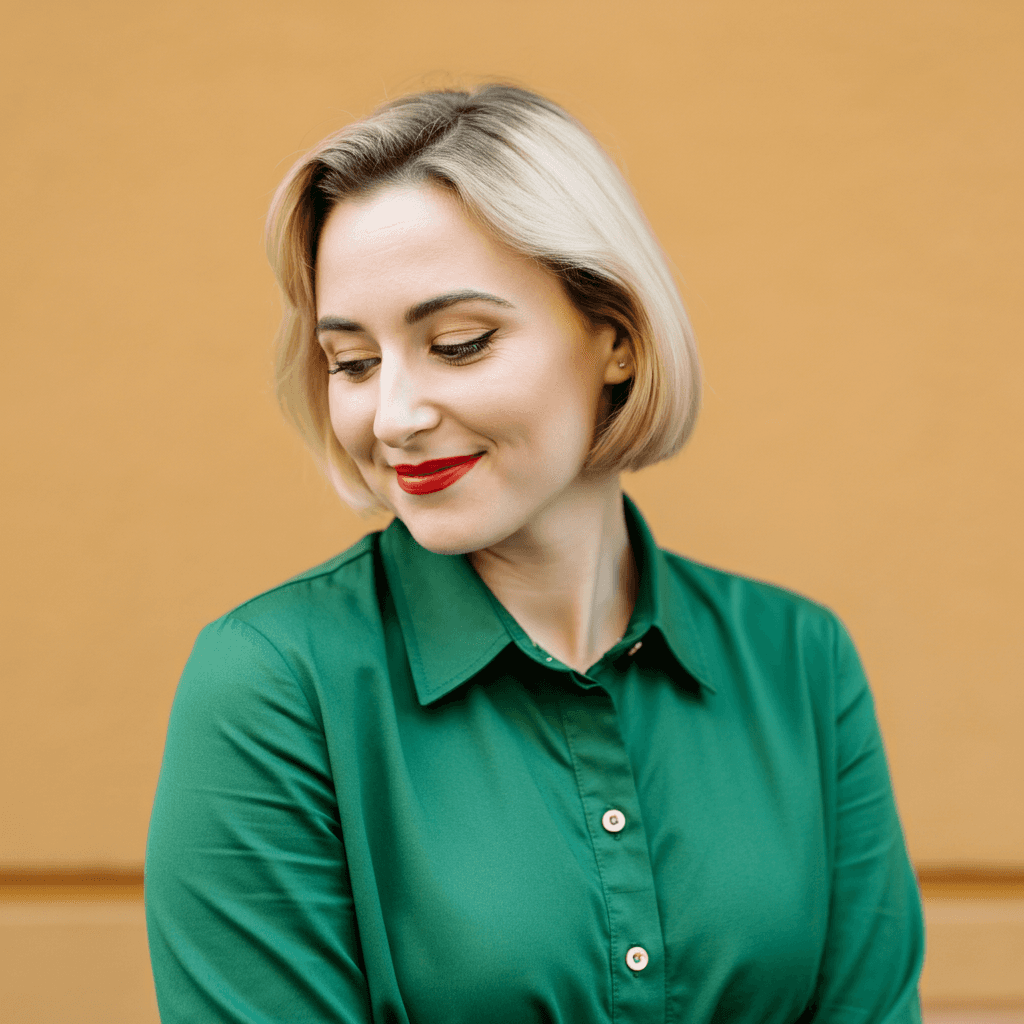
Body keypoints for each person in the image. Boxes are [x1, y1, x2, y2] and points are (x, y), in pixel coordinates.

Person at [145, 83, 924, 1023]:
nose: (393, 416)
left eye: (459, 344)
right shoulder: (273, 684)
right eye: (353, 362)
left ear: (618, 339)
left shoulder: (798, 659)